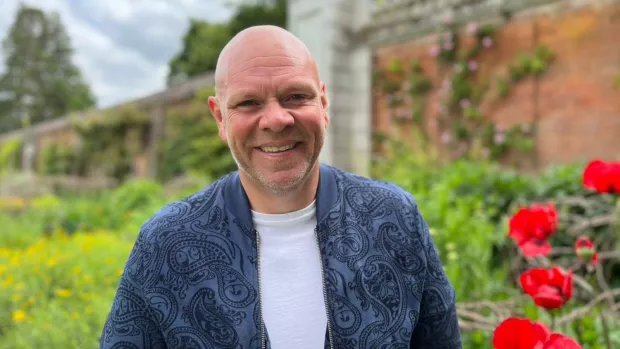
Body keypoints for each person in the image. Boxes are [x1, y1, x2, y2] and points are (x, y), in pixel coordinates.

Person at [99, 25, 462, 349]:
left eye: (295, 97)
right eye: (248, 102)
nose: (276, 119)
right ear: (220, 117)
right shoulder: (166, 243)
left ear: (323, 103)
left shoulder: (395, 218)